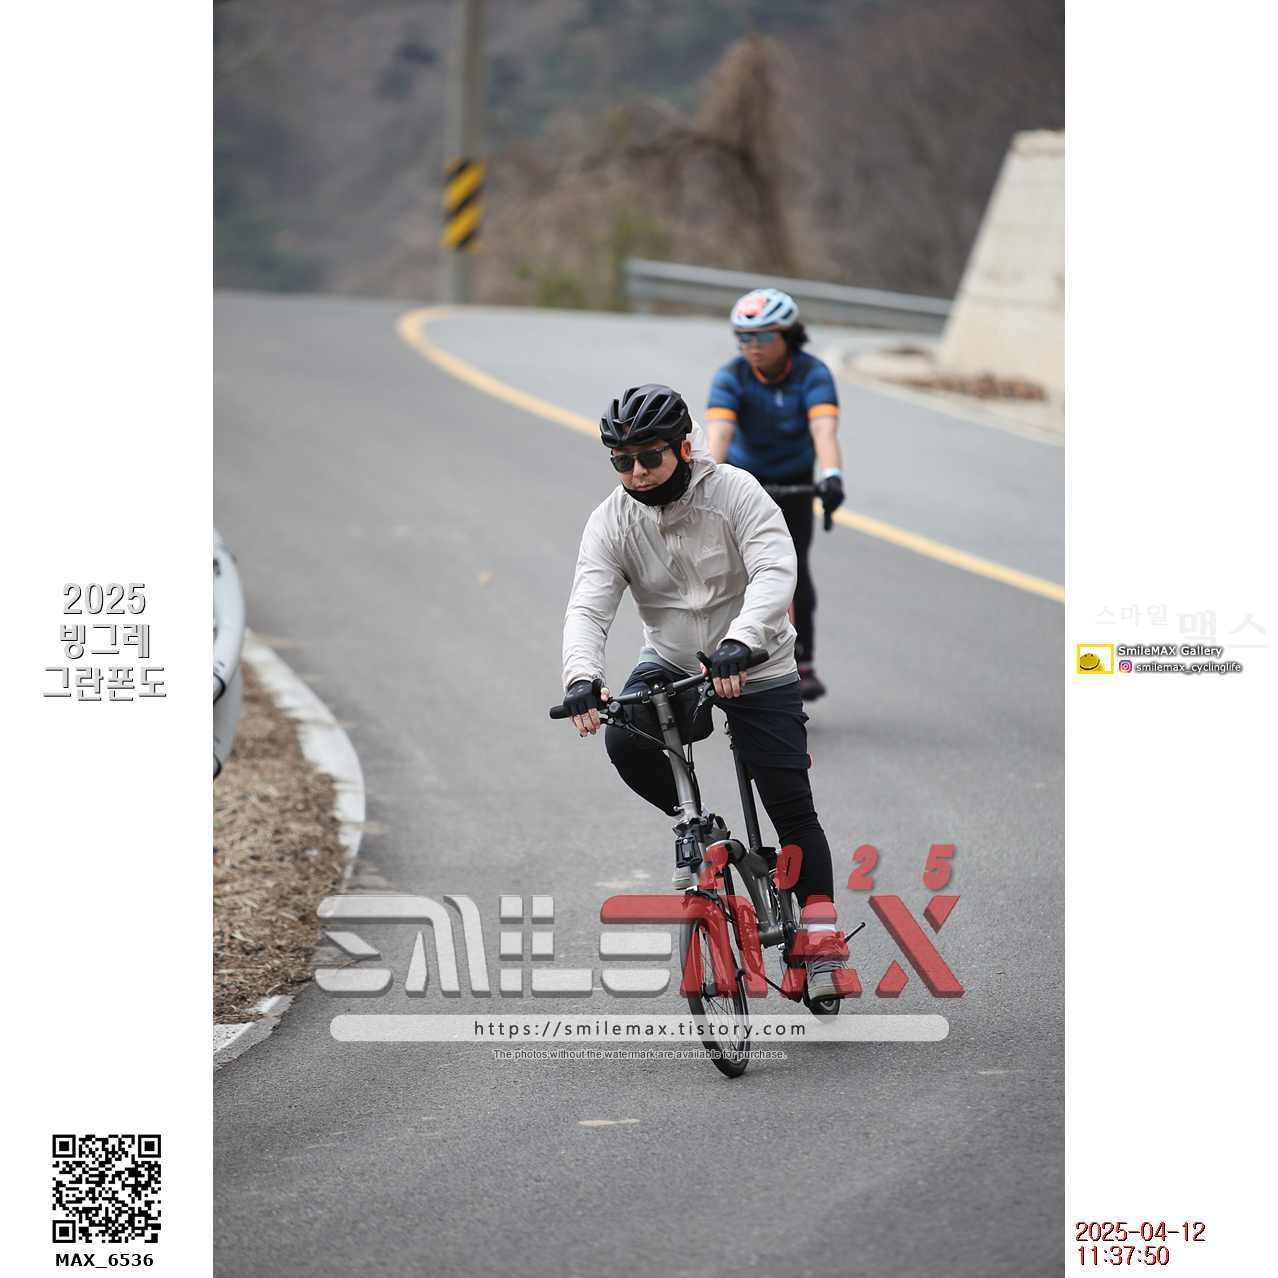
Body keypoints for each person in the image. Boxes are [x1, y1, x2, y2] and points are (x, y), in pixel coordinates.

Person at [560, 382, 844, 1001]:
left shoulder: (736, 492)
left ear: (684, 448)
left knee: (788, 803)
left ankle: (822, 942)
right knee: (624, 742)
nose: (636, 473)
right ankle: (700, 826)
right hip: (671, 660)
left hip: (755, 656)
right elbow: (588, 606)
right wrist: (581, 676)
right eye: (621, 461)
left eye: (649, 457)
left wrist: (743, 639)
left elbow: (775, 569)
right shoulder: (611, 521)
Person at [704, 288, 844, 701]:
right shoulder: (731, 376)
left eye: (763, 336)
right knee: (732, 570)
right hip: (743, 482)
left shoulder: (813, 374)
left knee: (793, 565)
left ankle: (804, 660)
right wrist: (706, 481)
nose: (752, 346)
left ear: (789, 335)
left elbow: (823, 429)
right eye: (743, 337)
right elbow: (718, 436)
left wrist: (832, 475)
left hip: (793, 479)